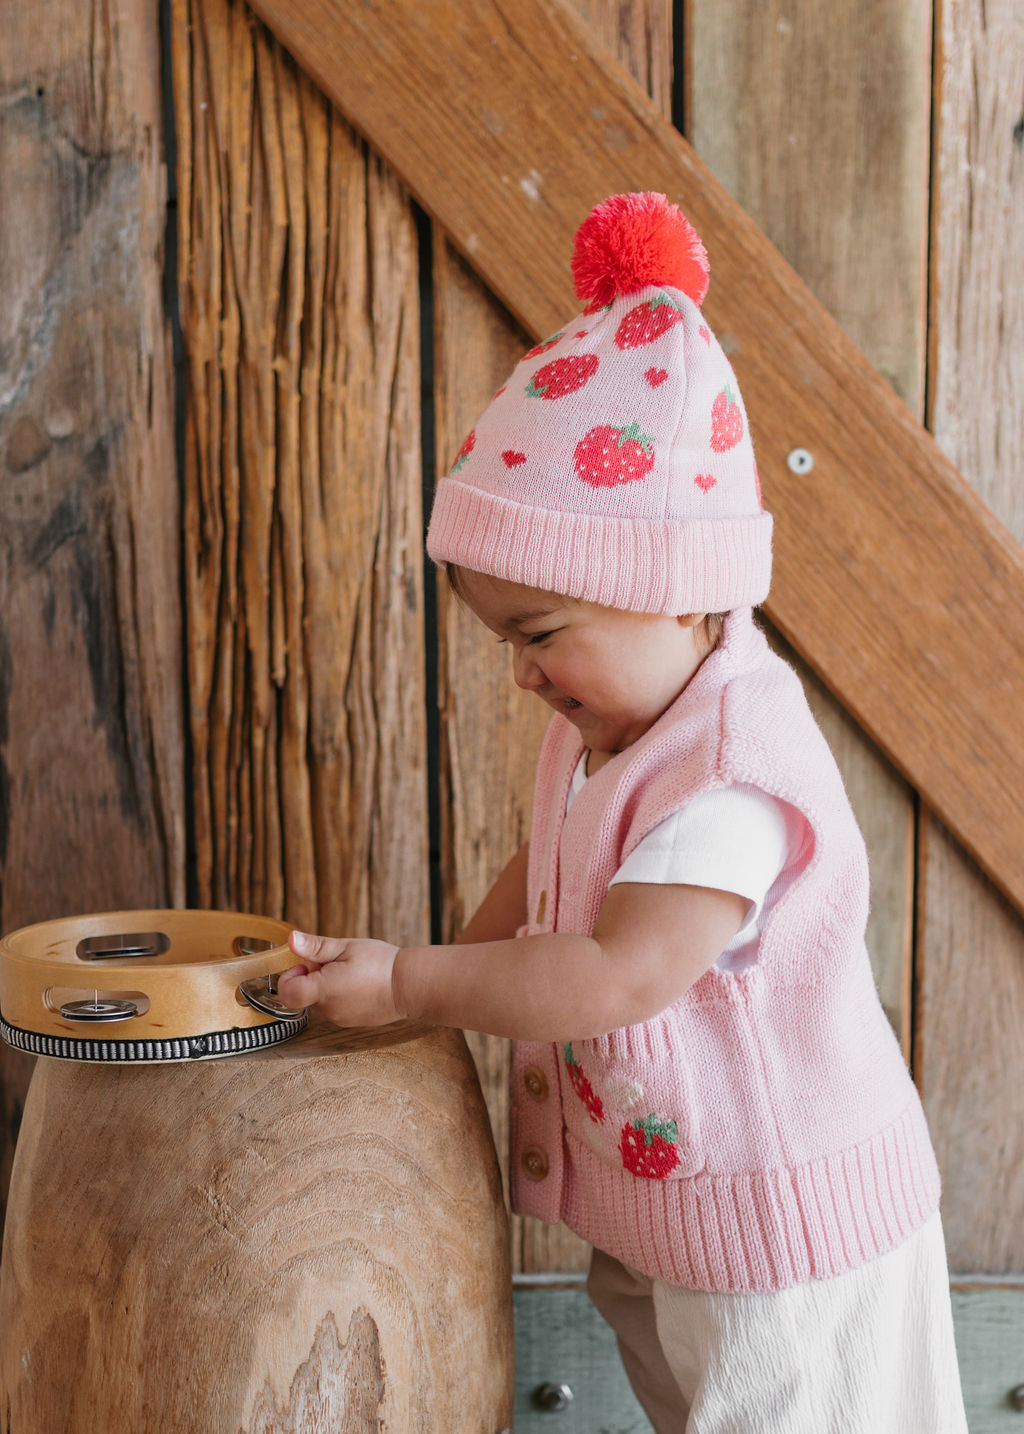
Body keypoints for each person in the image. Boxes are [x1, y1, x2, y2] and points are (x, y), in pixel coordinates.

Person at [277, 192, 967, 1432]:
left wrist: (416, 986)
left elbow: (613, 973)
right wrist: (404, 974)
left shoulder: (733, 771)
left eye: (541, 636)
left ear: (679, 591)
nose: (524, 673)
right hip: (672, 1215)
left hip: (781, 1236)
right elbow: (548, 881)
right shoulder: (608, 734)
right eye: (507, 642)